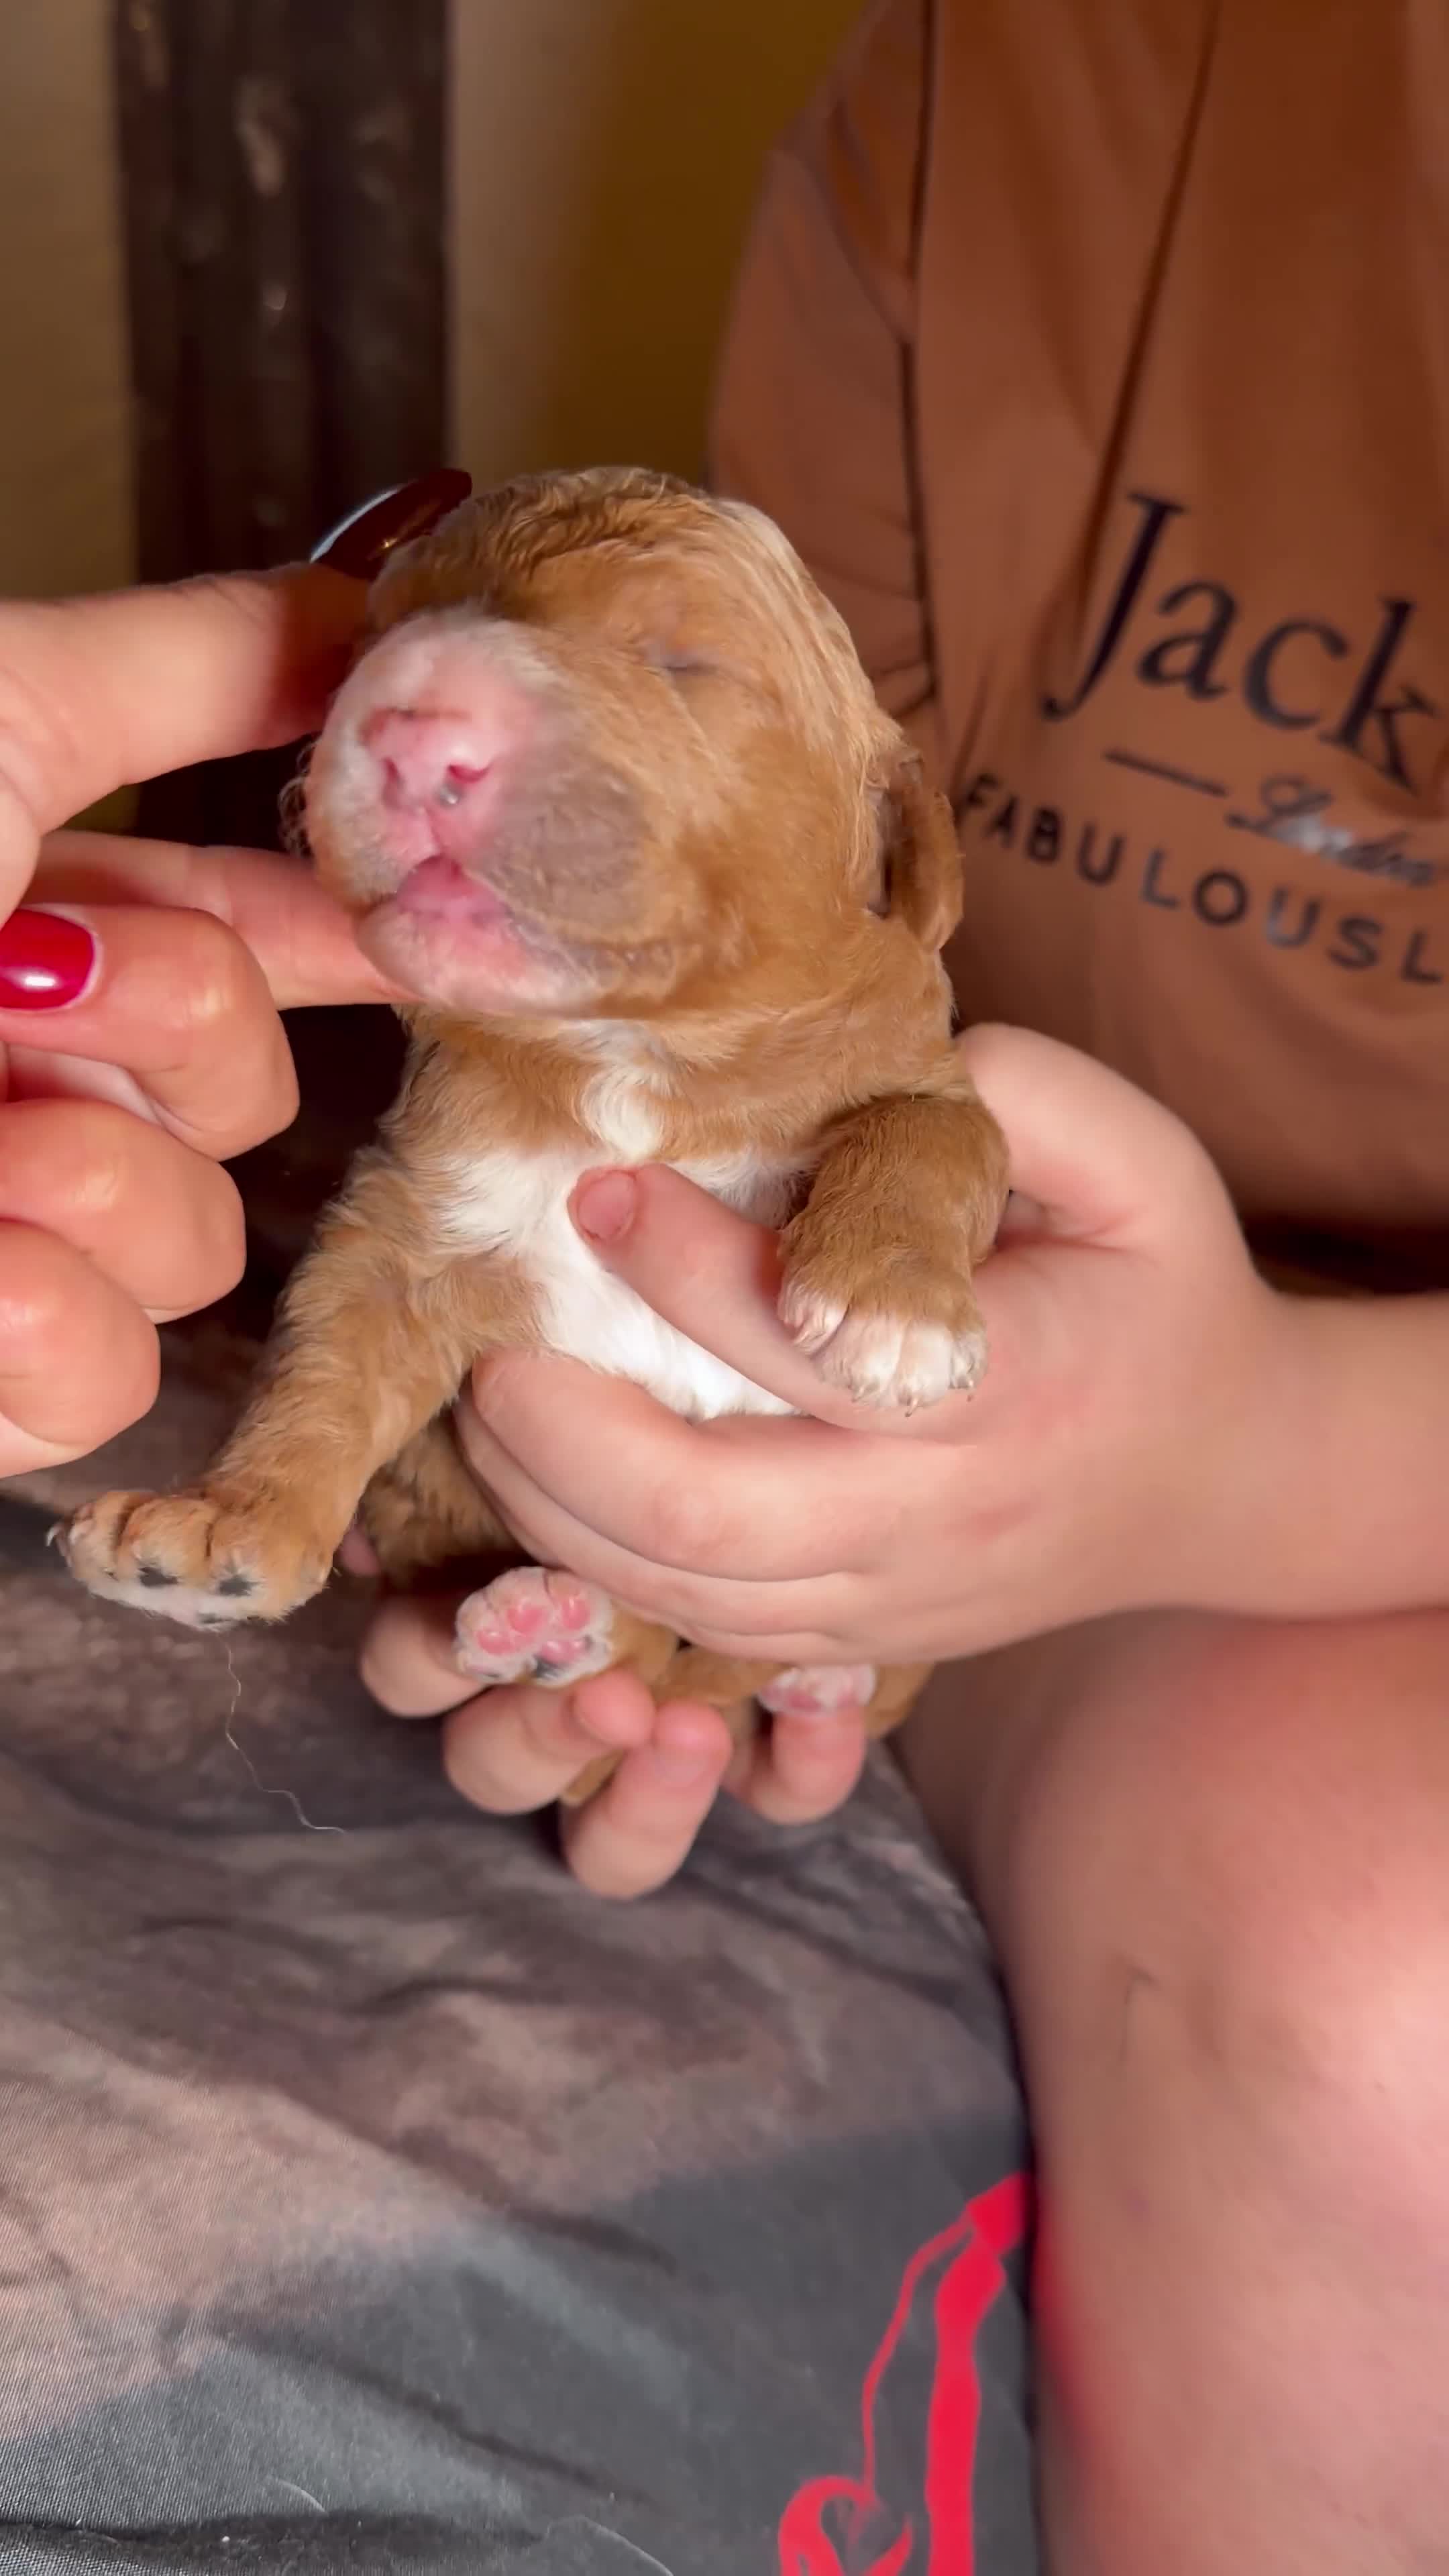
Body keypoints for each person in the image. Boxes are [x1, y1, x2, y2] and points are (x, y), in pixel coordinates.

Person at [3, 5, 1446, 2566]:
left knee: (1391, 1965)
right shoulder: (1000, 97)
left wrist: (1254, 1451)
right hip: (990, 1371)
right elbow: (743, 768)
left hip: (1285, 1423)